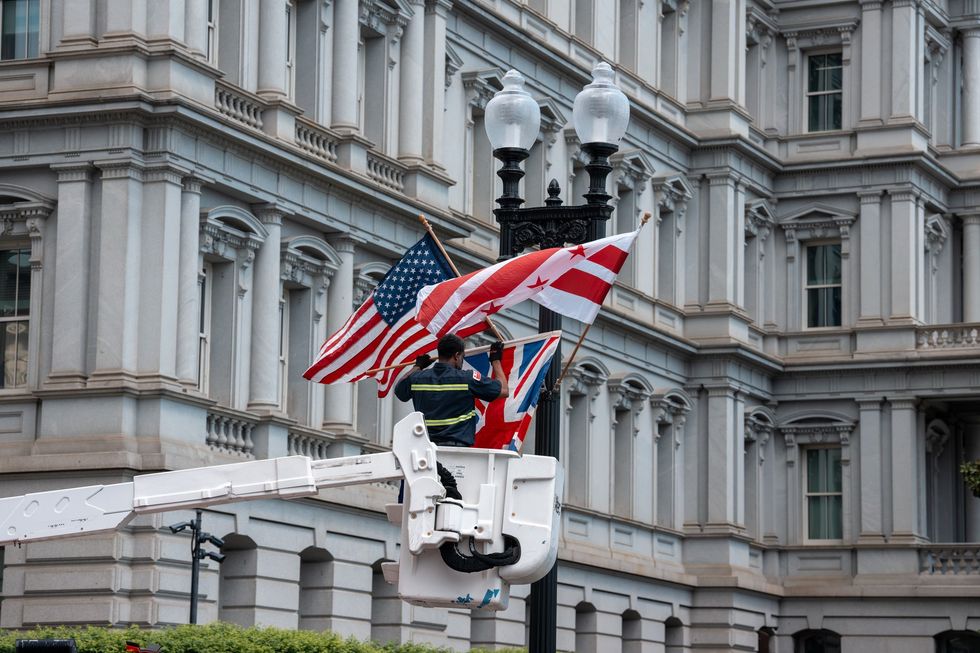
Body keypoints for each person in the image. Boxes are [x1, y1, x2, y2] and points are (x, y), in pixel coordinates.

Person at [395, 334, 509, 499]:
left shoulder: (418, 378)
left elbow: (400, 390)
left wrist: (417, 366)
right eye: (462, 357)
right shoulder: (467, 378)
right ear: (457, 355)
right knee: (455, 506)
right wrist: (496, 360)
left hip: (424, 454)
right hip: (457, 454)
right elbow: (503, 391)